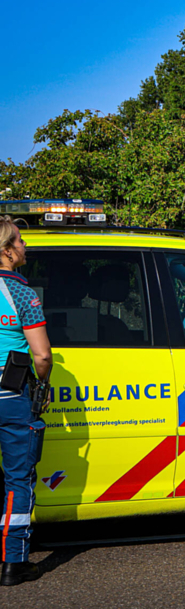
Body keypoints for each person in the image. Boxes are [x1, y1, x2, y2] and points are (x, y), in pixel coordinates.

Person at [0, 218, 51, 586]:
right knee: (18, 478)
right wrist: (43, 385)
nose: (24, 247)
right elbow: (43, 355)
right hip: (10, 395)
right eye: (20, 241)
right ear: (6, 251)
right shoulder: (22, 294)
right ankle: (13, 563)